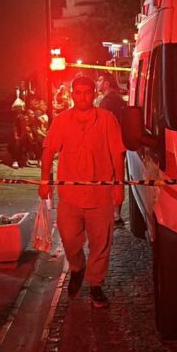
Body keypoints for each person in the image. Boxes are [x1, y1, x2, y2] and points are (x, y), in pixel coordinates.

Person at [40, 76, 126, 308]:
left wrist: (119, 186)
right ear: (72, 95)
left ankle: (96, 285)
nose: (83, 97)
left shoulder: (107, 119)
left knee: (101, 244)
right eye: (78, 92)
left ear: (94, 94)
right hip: (70, 196)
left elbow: (117, 153)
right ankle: (77, 267)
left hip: (101, 196)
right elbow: (48, 151)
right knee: (69, 238)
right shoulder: (62, 120)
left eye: (87, 92)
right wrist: (44, 181)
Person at [96, 74, 128, 227]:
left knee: (110, 177)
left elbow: (103, 126)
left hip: (109, 146)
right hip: (117, 144)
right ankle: (115, 213)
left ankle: (113, 214)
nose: (97, 83)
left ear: (106, 83)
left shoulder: (108, 101)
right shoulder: (117, 99)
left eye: (100, 80)